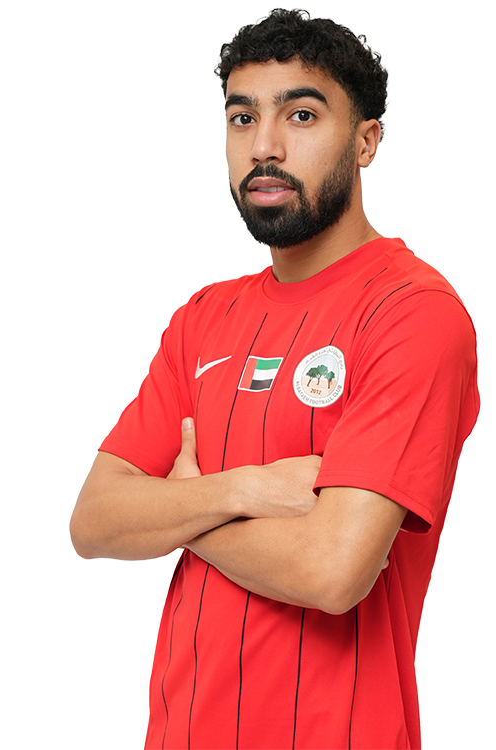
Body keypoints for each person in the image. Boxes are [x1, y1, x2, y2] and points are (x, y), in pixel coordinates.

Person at [70, 7, 480, 749]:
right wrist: (240, 491)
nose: (264, 146)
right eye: (242, 118)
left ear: (368, 140)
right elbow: (94, 523)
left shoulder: (413, 312)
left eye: (301, 114)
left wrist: (178, 509)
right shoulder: (203, 316)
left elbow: (332, 572)